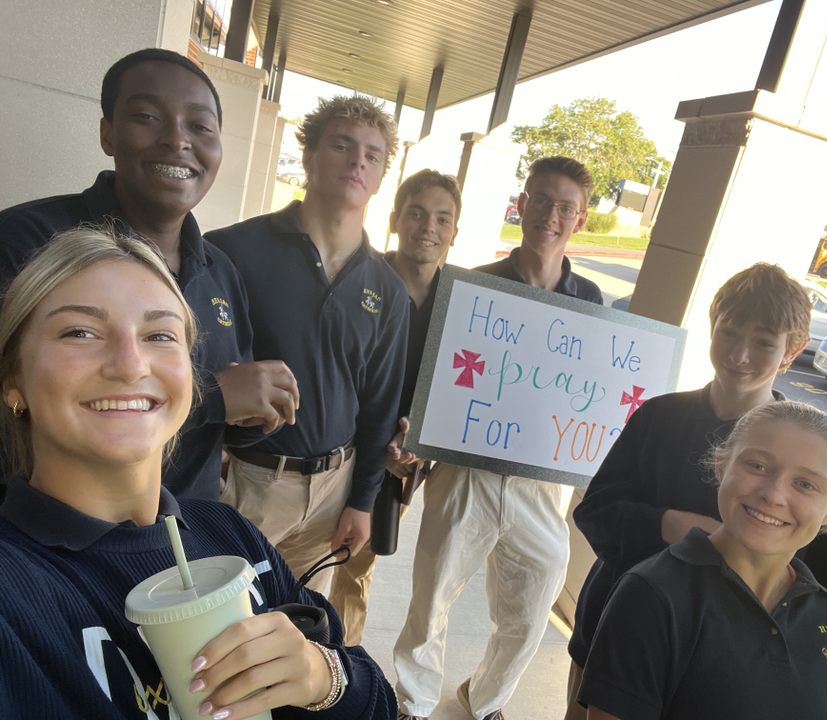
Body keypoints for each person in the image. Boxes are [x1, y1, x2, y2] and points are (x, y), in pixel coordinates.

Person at [0, 227, 395, 719]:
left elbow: (375, 701)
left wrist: (320, 678)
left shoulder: (230, 536)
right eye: (80, 332)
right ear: (12, 378)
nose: (130, 363)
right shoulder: (14, 594)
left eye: (160, 335)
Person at [0, 47, 298, 501]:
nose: (178, 139)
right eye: (148, 117)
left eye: (200, 126)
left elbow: (223, 418)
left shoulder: (220, 271)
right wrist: (215, 398)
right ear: (108, 134)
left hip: (182, 546)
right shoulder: (27, 242)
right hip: (47, 548)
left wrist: (258, 410)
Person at [393, 156, 602, 720]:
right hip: (465, 468)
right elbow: (433, 374)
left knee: (532, 607)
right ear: (523, 203)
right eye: (541, 200)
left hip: (539, 484)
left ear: (579, 219)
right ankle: (412, 702)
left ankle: (483, 701)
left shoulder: (589, 301)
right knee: (431, 597)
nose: (550, 215)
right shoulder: (471, 286)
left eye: (565, 207)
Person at [565, 262, 811, 720]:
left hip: (718, 653)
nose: (739, 355)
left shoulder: (798, 446)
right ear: (712, 326)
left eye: (762, 342)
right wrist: (669, 524)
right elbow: (595, 511)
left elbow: (799, 558)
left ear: (791, 351)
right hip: (612, 624)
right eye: (729, 333)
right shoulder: (659, 416)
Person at [207, 96, 409, 596]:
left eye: (373, 154)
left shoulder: (386, 288)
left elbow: (380, 405)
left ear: (383, 174)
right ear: (310, 156)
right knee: (222, 623)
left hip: (331, 492)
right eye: (341, 145)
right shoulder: (233, 251)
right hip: (248, 484)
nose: (357, 161)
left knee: (296, 628)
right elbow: (197, 363)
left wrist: (361, 500)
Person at [580, 401, 827, 719]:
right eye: (758, 466)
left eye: (805, 484)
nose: (774, 495)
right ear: (722, 468)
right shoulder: (653, 596)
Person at [329, 169, 461, 645]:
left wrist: (422, 446)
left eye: (442, 218)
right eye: (417, 213)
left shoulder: (461, 306)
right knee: (304, 556)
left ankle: (342, 665)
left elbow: (466, 391)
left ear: (454, 231)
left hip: (405, 464)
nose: (429, 226)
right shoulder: (360, 282)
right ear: (395, 219)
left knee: (355, 565)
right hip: (339, 448)